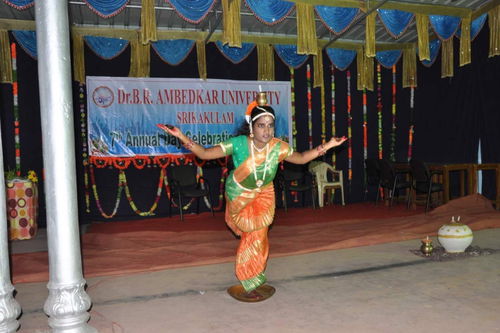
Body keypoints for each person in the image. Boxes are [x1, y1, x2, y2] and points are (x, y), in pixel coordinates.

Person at [160, 94, 347, 301]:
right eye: (261, 125)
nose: (267, 131)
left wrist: (329, 145)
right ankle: (250, 277)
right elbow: (204, 154)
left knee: (257, 237)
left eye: (270, 126)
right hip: (239, 194)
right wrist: (181, 136)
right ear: (252, 127)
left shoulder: (278, 147)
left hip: (265, 195)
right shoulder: (238, 144)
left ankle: (250, 279)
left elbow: (302, 158)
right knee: (253, 237)